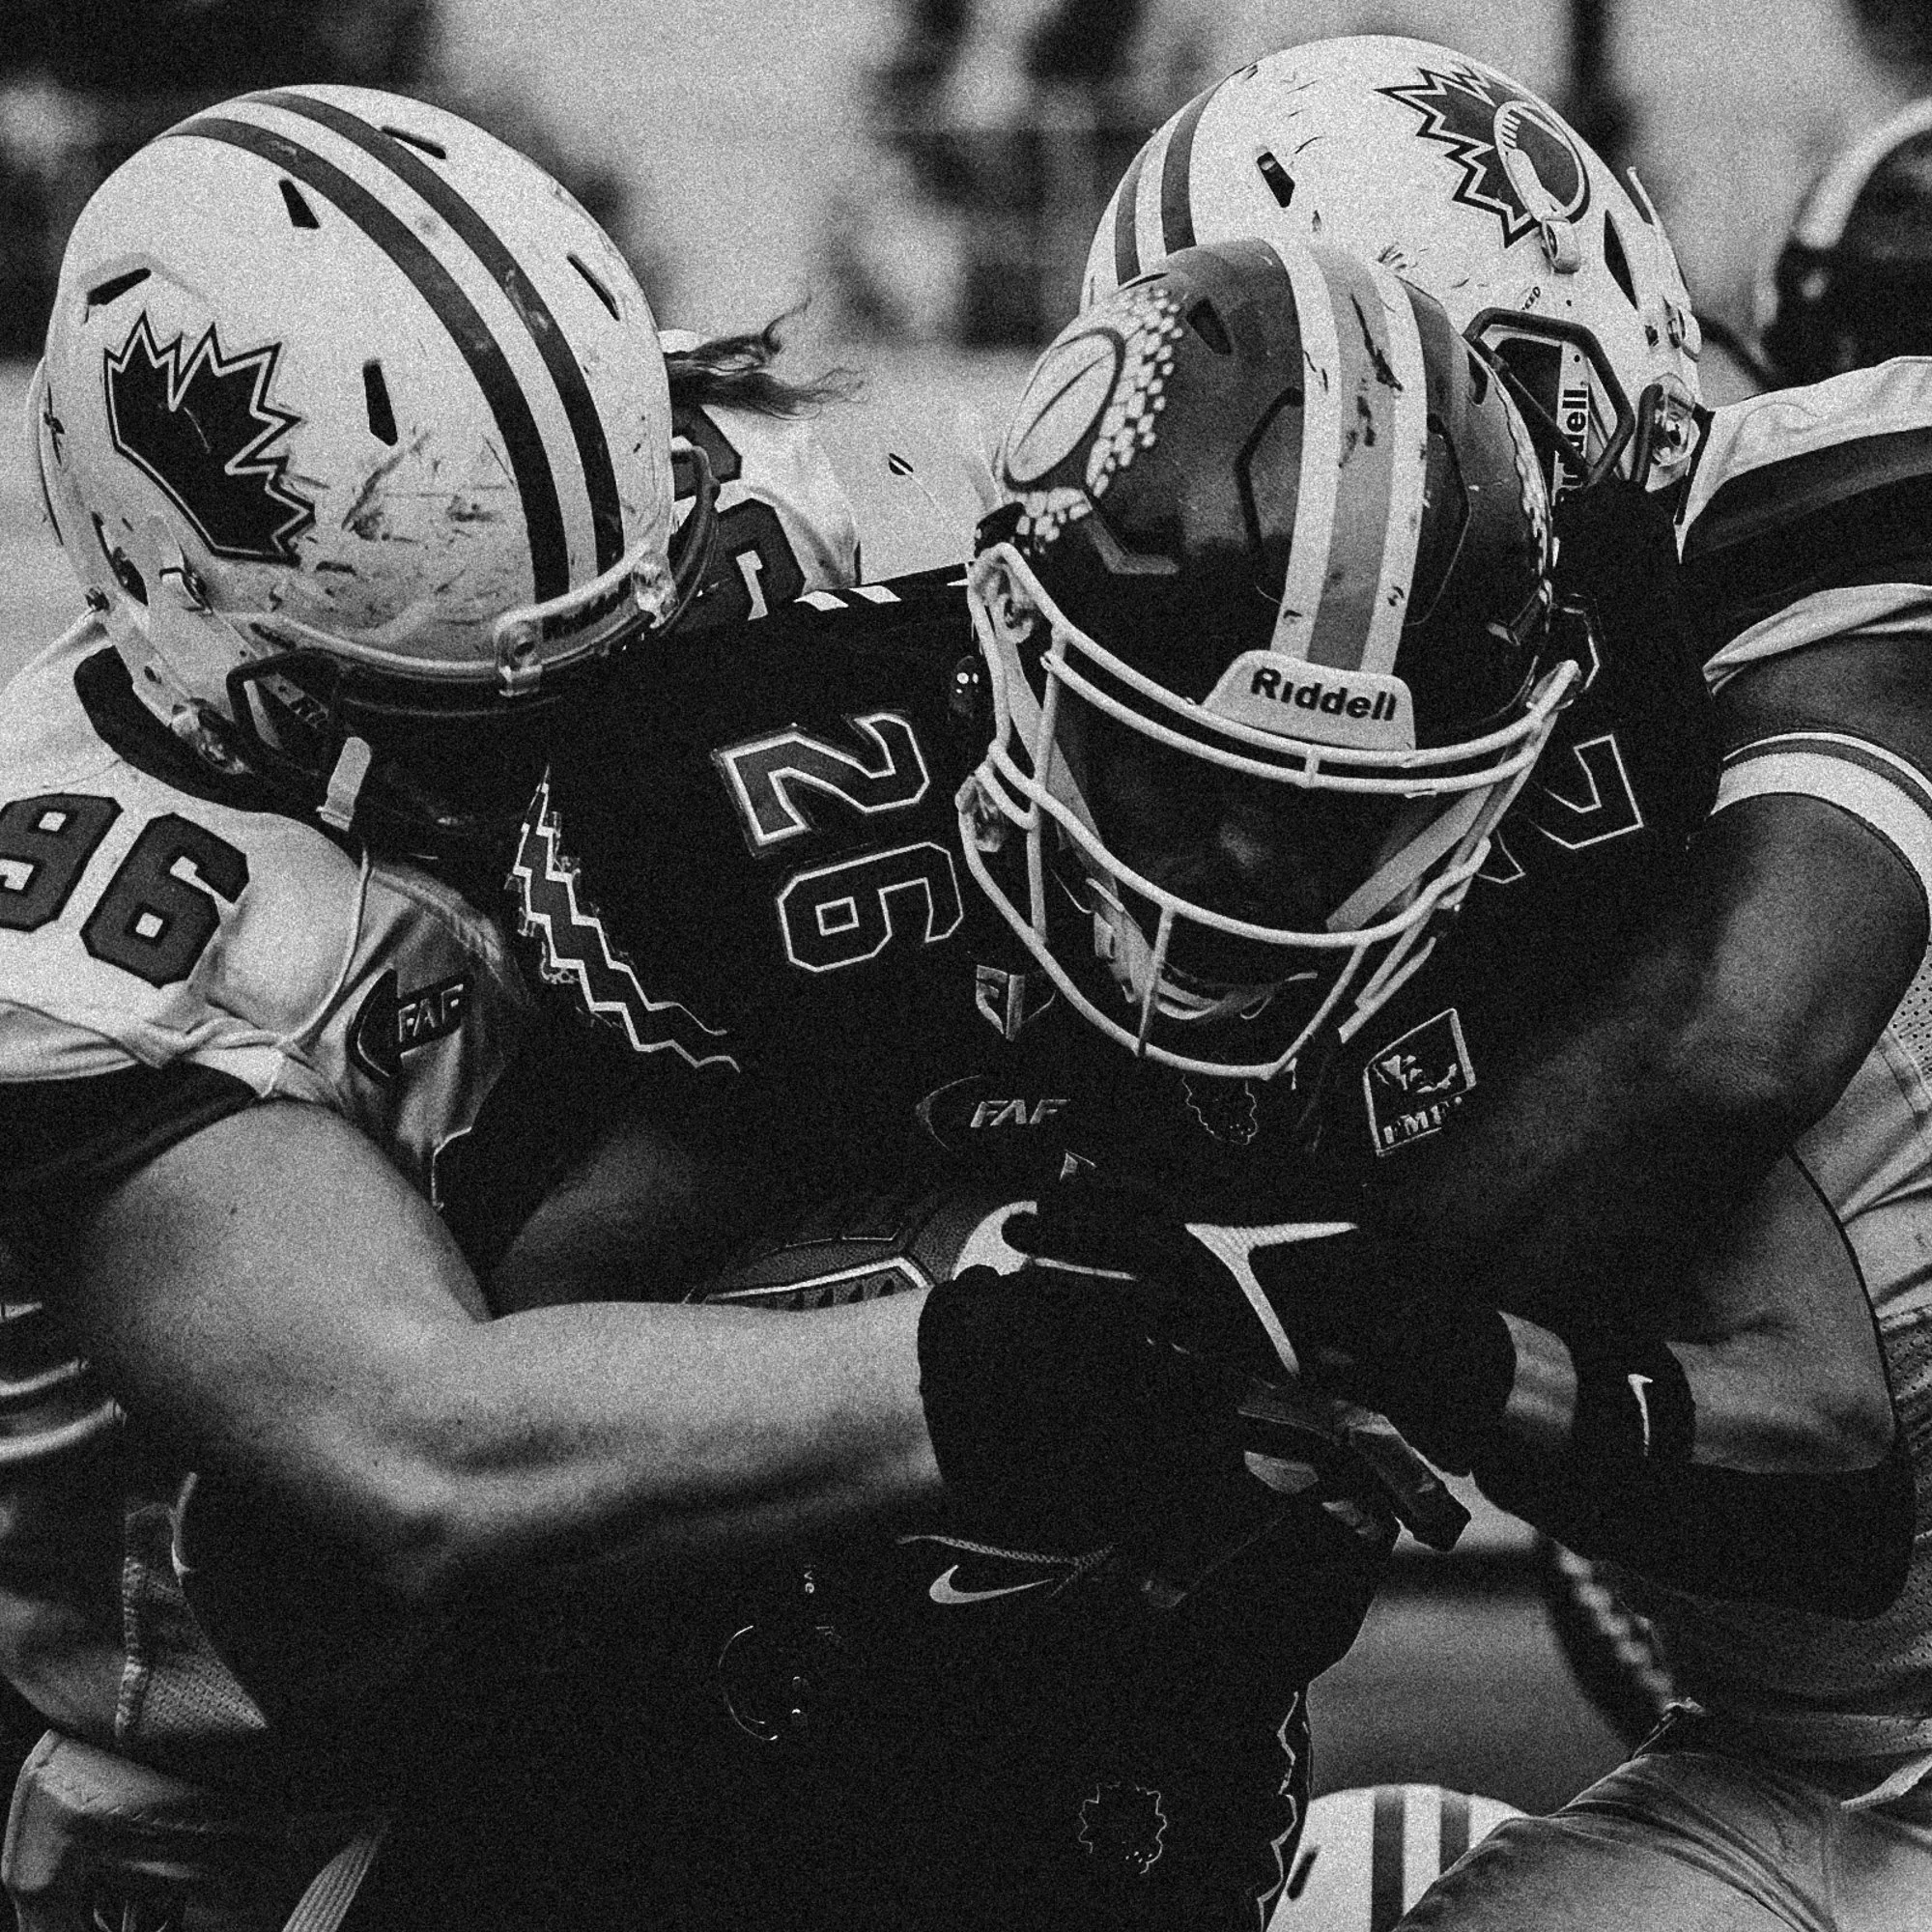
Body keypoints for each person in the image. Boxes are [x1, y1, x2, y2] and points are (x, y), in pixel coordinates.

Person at [480, 228, 1903, 1931]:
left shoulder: (1556, 868)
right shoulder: (815, 846)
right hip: (680, 1771)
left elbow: (1827, 1486)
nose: (1244, 863)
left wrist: (1427, 1344)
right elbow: (500, 1398)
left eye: (1339, 806)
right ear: (1015, 646)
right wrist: (962, 1364)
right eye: (1176, 770)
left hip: (1132, 1806)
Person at [0, 82, 1288, 1932]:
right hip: (251, 1773)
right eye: (484, 720)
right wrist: (1051, 1357)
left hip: (678, 1612)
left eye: (631, 644)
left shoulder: (719, 513)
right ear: (211, 635)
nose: (578, 747)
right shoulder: (92, 918)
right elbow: (420, 1449)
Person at [1083, 35, 1932, 1930]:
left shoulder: (1786, 542)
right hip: (1786, 1765)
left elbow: (1728, 1032)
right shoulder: (1312, 837)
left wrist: (1303, 1311)